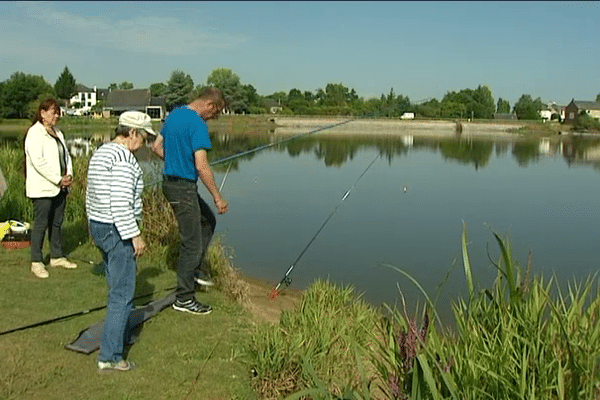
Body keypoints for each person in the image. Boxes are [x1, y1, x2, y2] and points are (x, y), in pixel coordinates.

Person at [85, 111, 156, 372]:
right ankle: (111, 356)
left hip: (99, 225)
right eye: (145, 138)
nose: (146, 144)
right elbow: (120, 203)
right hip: (117, 230)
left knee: (115, 286)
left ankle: (120, 336)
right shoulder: (125, 159)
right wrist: (135, 235)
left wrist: (93, 226)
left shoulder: (101, 151)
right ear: (133, 133)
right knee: (122, 294)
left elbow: (91, 195)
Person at [152, 87, 230, 315]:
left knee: (207, 222)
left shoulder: (175, 114)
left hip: (170, 184)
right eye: (216, 113)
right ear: (210, 105)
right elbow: (202, 166)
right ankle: (184, 298)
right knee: (192, 243)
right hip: (183, 188)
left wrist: (176, 160)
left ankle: (194, 270)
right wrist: (218, 197)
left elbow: (156, 147)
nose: (214, 118)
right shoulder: (197, 124)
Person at [24, 98, 77, 279]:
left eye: (57, 113)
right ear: (43, 113)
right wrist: (57, 179)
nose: (56, 116)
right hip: (43, 188)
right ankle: (36, 261)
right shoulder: (34, 133)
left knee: (56, 222)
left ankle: (56, 256)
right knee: (41, 224)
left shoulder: (57, 132)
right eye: (53, 112)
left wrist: (69, 175)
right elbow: (38, 162)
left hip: (60, 187)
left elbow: (66, 155)